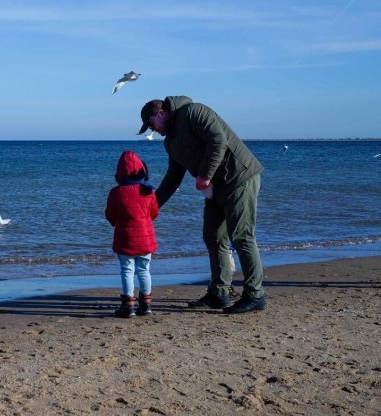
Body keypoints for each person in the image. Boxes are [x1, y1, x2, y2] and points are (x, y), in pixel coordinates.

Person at [138, 96, 266, 314]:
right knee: (213, 237)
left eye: (151, 124)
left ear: (160, 114)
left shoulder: (194, 112)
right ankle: (219, 293)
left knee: (242, 236)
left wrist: (204, 175)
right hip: (215, 188)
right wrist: (151, 207)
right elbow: (173, 177)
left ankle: (255, 294)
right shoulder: (170, 142)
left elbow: (219, 141)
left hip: (239, 177)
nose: (152, 129)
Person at [105, 150, 160, 318]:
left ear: (119, 173)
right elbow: (154, 213)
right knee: (144, 270)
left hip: (125, 237)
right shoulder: (148, 191)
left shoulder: (116, 192)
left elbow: (110, 214)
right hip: (146, 237)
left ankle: (128, 305)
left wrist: (118, 223)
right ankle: (146, 304)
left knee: (127, 270)